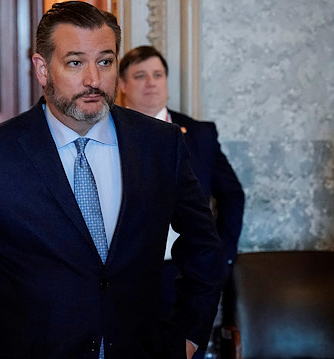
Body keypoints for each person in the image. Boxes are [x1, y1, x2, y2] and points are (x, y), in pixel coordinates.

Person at [0, 2, 225, 359]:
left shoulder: (161, 144)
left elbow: (203, 244)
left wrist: (188, 335)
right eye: (76, 62)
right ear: (42, 68)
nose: (94, 79)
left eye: (105, 61)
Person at [119, 46, 245, 358]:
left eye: (158, 75)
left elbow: (232, 195)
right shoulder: (106, 133)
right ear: (122, 85)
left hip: (185, 274)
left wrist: (222, 255)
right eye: (140, 76)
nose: (151, 82)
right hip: (125, 276)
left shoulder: (200, 134)